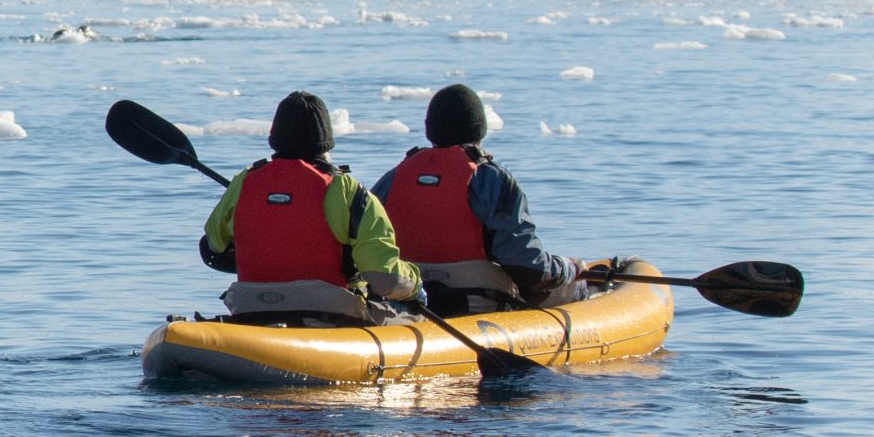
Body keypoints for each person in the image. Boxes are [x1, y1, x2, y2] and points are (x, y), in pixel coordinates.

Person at [200, 91, 423, 324]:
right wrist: (415, 287)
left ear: (275, 136)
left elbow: (213, 249)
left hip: (250, 311)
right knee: (413, 319)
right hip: (331, 316)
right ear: (325, 139)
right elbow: (384, 278)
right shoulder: (348, 191)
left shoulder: (244, 182)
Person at [373, 84, 590, 316]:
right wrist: (569, 268)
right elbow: (528, 269)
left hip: (411, 301)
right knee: (580, 287)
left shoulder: (394, 177)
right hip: (480, 302)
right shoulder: (491, 179)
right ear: (479, 130)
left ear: (430, 130)